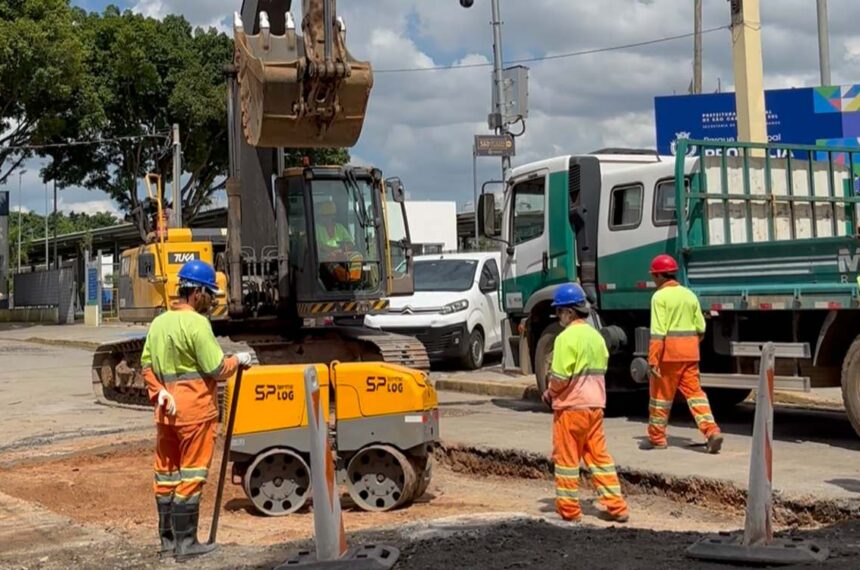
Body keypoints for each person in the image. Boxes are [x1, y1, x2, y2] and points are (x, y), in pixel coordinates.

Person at [141, 259, 252, 560]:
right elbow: (216, 368)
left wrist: (160, 392)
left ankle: (167, 544)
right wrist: (238, 360)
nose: (212, 300)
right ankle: (186, 544)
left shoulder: (159, 322)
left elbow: (146, 366)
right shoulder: (197, 324)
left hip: (166, 413)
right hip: (195, 414)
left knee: (165, 475)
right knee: (191, 475)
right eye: (210, 294)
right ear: (197, 292)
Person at [543, 283, 629, 523]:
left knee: (567, 461)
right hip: (595, 406)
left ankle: (569, 511)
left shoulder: (565, 338)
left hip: (571, 408)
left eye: (559, 311)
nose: (558, 315)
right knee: (599, 458)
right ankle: (617, 506)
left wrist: (550, 392)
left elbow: (560, 377)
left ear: (569, 312)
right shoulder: (596, 337)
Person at [646, 254, 723, 454]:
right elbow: (701, 328)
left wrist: (653, 360)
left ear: (659, 275)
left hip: (668, 357)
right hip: (690, 355)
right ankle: (711, 431)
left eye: (654, 276)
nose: (654, 280)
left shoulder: (659, 297)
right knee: (696, 395)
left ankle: (658, 438)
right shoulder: (689, 294)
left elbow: (658, 332)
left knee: (660, 398)